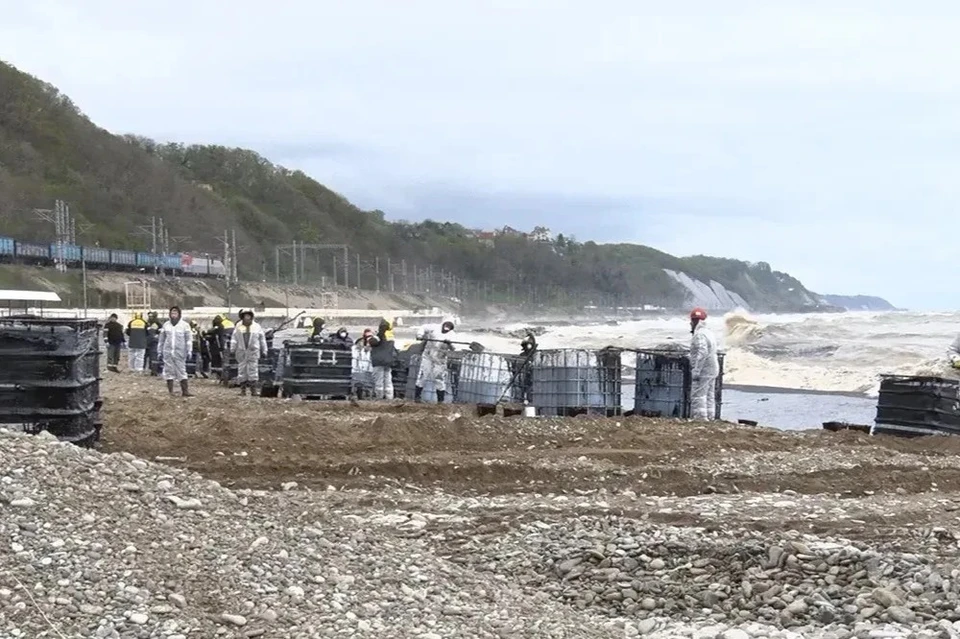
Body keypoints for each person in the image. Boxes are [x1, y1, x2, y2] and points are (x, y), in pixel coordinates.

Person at [688, 307, 720, 421]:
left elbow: (701, 352)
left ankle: (699, 417)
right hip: (713, 367)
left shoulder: (699, 335)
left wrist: (696, 370)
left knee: (699, 394)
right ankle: (710, 416)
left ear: (694, 321)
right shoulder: (709, 333)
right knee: (709, 395)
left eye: (692, 321)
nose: (690, 323)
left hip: (704, 369)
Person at [415, 318, 455, 403]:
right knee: (423, 375)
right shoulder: (433, 327)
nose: (446, 328)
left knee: (439, 378)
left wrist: (450, 343)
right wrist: (420, 335)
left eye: (449, 327)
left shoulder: (452, 335)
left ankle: (440, 401)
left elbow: (454, 348)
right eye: (446, 325)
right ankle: (417, 397)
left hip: (440, 359)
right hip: (428, 355)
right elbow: (423, 327)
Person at [158, 306, 193, 397]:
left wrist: (189, 350)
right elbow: (161, 340)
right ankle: (171, 391)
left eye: (175, 313)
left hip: (180, 352)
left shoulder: (185, 325)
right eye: (172, 313)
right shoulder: (166, 325)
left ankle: (185, 391)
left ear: (179, 314)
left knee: (182, 370)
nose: (173, 315)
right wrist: (159, 351)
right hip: (168, 352)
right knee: (168, 371)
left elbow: (188, 339)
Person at [232, 309, 269, 396]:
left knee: (253, 370)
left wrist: (264, 350)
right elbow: (234, 338)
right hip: (241, 351)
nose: (247, 318)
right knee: (242, 370)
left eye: (248, 316)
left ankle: (253, 390)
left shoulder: (256, 326)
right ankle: (243, 390)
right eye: (245, 316)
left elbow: (262, 339)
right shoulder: (239, 326)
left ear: (251, 316)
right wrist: (232, 348)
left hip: (253, 352)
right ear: (242, 317)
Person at [368, 319, 397, 400]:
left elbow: (372, 342)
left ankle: (379, 397)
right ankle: (389, 397)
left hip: (379, 361)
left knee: (379, 381)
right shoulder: (390, 335)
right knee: (388, 380)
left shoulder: (380, 335)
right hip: (388, 361)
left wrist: (375, 335)